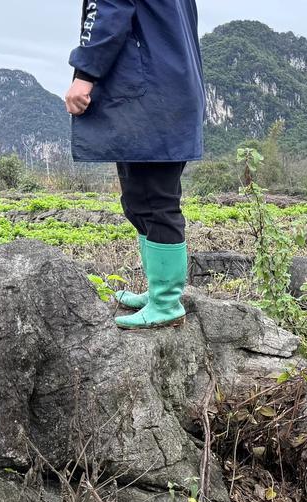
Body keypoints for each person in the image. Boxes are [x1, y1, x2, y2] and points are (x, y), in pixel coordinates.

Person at [65, 0, 205, 329]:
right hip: (163, 91)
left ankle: (167, 303)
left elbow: (108, 12)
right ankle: (159, 292)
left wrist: (84, 75)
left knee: (156, 201)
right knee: (139, 201)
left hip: (149, 96)